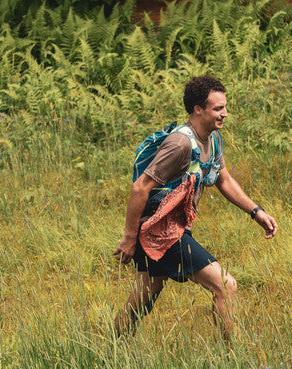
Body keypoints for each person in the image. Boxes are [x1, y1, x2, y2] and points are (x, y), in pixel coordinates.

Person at [113, 76, 278, 339]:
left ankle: (112, 347)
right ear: (197, 110)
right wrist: (130, 238)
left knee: (145, 293)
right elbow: (140, 187)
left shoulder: (213, 139)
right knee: (225, 286)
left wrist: (256, 211)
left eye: (224, 107)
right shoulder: (179, 144)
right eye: (217, 109)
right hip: (160, 231)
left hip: (175, 227)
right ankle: (234, 356)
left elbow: (223, 178)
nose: (224, 114)